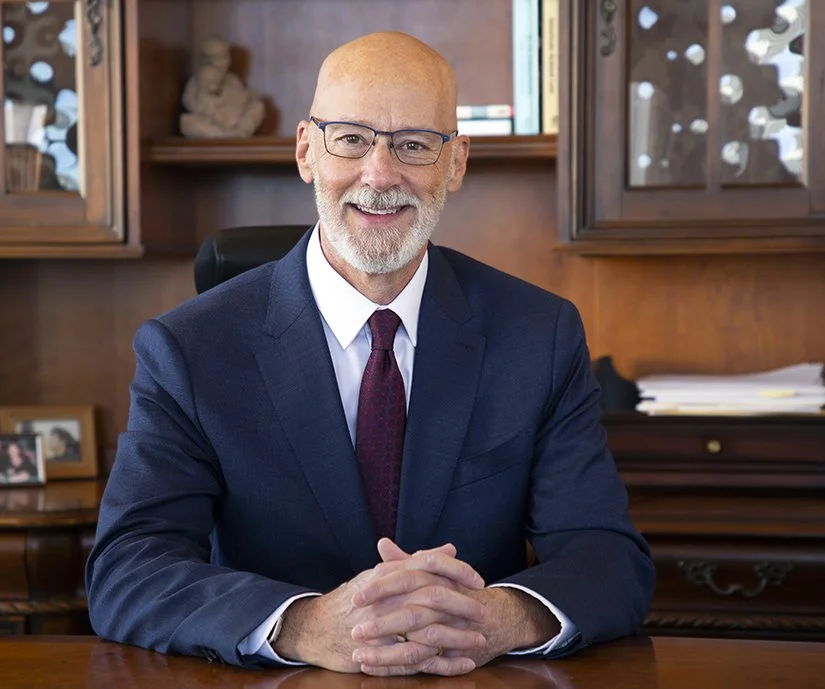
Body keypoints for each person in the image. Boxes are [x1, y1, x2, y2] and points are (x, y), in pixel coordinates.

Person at [86, 31, 654, 677]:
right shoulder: (188, 349)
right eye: (351, 138)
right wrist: (301, 626)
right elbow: (129, 568)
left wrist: (502, 615)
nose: (379, 175)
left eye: (413, 144)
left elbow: (608, 556)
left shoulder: (538, 335)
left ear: (456, 163)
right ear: (306, 150)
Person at [179, 36, 266, 139]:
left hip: (231, 120)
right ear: (205, 61)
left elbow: (240, 100)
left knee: (258, 106)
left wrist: (248, 97)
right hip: (211, 121)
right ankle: (222, 135)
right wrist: (207, 96)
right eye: (216, 59)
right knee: (187, 122)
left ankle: (239, 133)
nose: (223, 63)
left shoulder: (232, 80)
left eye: (225, 57)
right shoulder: (197, 81)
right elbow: (191, 103)